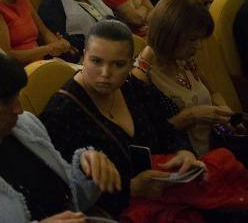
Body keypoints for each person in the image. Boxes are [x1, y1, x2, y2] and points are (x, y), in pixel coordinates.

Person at [0, 46, 120, 223]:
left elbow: (71, 202)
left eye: (17, 97)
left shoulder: (26, 126)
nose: (19, 109)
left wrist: (88, 170)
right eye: (7, 102)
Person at [41, 21, 206, 218]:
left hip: (165, 196)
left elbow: (166, 129)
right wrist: (131, 188)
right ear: (83, 56)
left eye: (118, 64)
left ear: (130, 63)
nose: (105, 74)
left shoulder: (132, 88)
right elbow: (64, 195)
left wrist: (184, 151)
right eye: (96, 61)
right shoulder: (61, 113)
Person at [133, 0, 234, 156]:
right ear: (170, 35)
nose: (199, 46)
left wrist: (225, 113)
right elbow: (151, 138)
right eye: (192, 39)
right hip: (187, 165)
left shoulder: (184, 59)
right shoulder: (142, 77)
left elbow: (213, 93)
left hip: (216, 148)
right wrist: (192, 116)